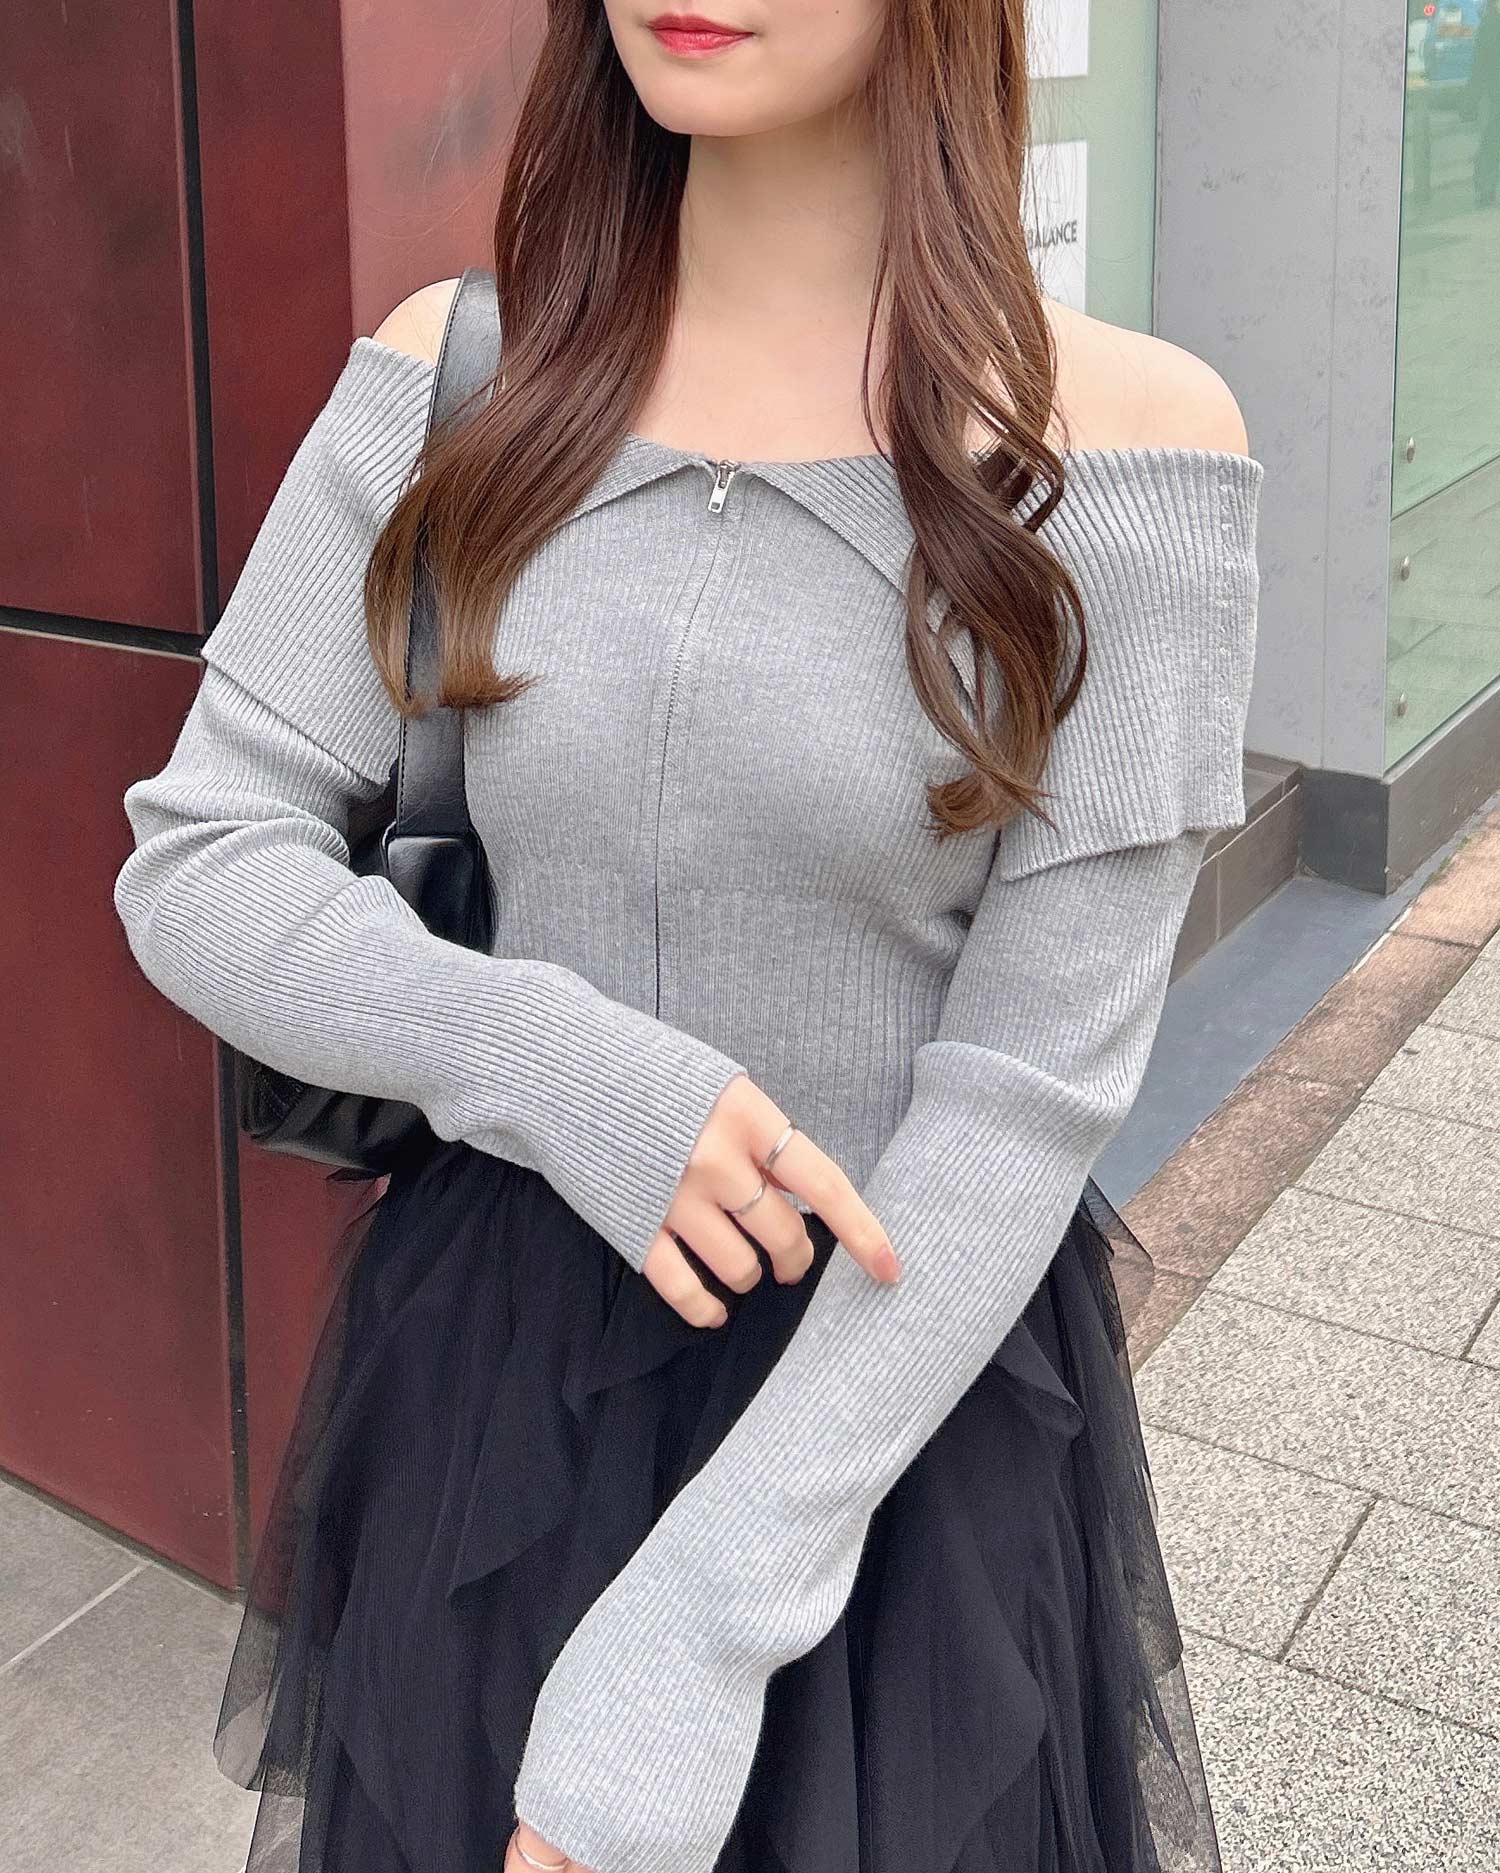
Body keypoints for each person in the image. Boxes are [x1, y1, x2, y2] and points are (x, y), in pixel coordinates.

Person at [112, 3, 1262, 1870]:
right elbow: (199, 857)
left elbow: (1028, 1096)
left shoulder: (1130, 452)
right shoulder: (454, 378)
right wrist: (556, 1063)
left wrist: (700, 1629)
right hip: (495, 1389)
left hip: (888, 1410)